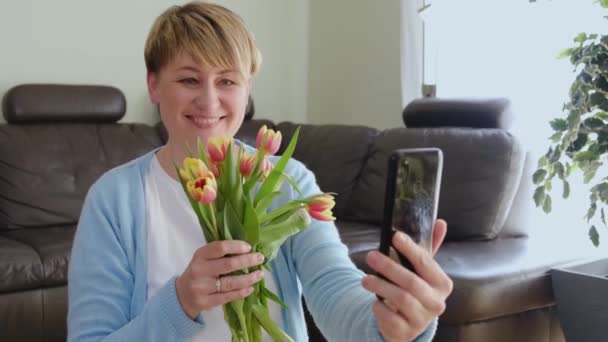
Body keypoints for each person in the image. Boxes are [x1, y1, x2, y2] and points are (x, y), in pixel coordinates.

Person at [67, 2, 453, 341]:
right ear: (154, 86)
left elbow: (335, 291)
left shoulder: (288, 181)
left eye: (228, 81)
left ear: (247, 89)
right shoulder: (113, 200)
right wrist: (181, 300)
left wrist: (393, 326)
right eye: (188, 79)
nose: (209, 100)